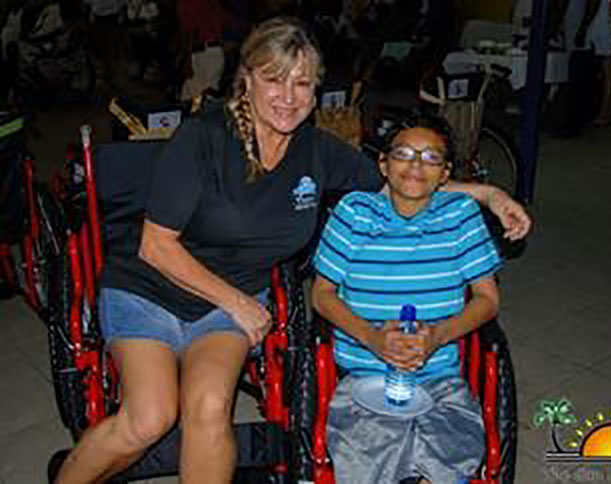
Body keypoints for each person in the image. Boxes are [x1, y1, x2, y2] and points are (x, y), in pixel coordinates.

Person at [53, 16, 529, 484]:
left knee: (210, 408)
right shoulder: (204, 136)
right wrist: (237, 303)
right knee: (150, 416)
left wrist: (487, 194)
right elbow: (156, 246)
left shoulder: (316, 150)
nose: (289, 96)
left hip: (226, 309)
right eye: (274, 79)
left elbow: (405, 183)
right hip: (152, 291)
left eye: (302, 83)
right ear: (247, 81)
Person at [311, 111, 501, 484]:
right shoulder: (354, 213)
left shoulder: (461, 215)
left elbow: (487, 299)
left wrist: (437, 337)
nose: (416, 166)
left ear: (446, 173)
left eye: (431, 157)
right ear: (383, 164)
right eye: (403, 154)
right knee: (367, 459)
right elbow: (322, 294)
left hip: (440, 376)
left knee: (450, 457)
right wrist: (372, 338)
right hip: (364, 373)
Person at [555, 0, 611, 137]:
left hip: (585, 38)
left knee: (578, 82)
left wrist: (583, 28)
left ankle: (573, 124)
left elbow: (593, 4)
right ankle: (573, 122)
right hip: (578, 34)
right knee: (577, 82)